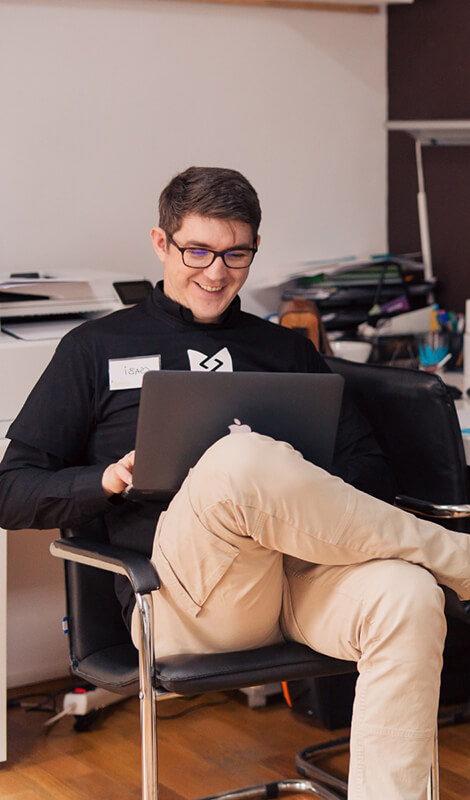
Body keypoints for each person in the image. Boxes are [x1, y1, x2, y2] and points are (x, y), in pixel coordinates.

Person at [0, 166, 469, 800]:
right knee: (238, 459)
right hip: (181, 600)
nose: (216, 272)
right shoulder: (94, 349)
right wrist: (105, 481)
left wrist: (297, 478)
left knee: (409, 594)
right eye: (198, 250)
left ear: (252, 249)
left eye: (236, 253)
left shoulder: (285, 350)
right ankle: (458, 558)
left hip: (300, 580)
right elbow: (12, 489)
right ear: (162, 243)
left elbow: (370, 472)